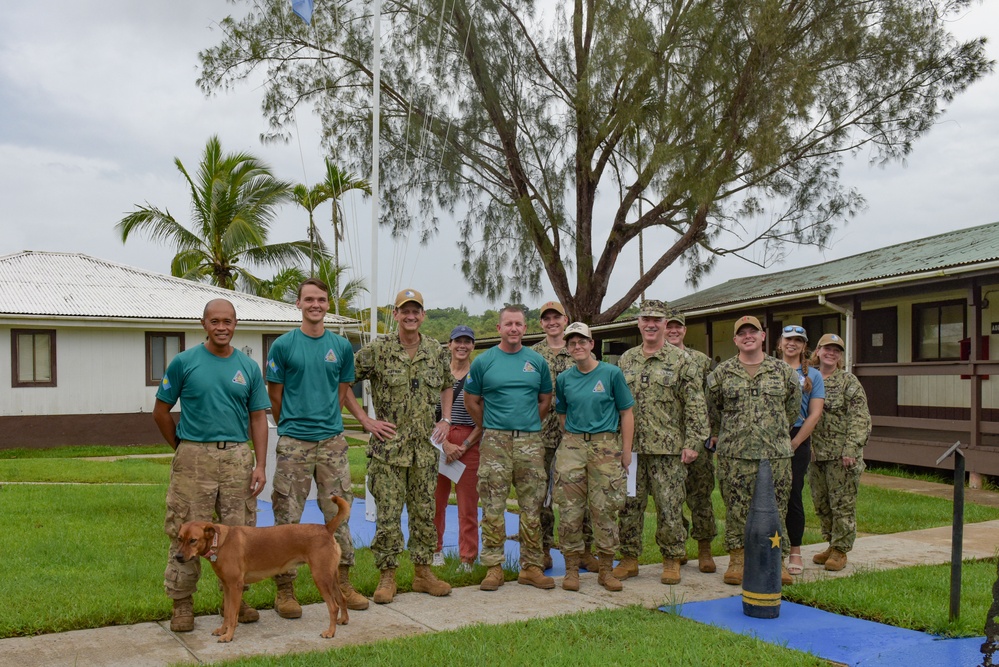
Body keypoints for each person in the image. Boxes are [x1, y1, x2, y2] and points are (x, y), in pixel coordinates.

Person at [153, 298, 268, 633]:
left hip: (236, 457)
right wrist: (182, 446)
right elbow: (160, 411)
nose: (222, 327)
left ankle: (234, 600)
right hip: (194, 459)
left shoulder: (247, 367)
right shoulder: (184, 362)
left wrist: (260, 464)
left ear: (235, 324)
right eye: (215, 321)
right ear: (204, 323)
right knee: (184, 531)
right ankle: (182, 604)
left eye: (228, 321)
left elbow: (258, 417)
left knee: (238, 534)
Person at [264, 278, 375, 616]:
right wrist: (292, 426)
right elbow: (275, 393)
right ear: (298, 304)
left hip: (332, 442)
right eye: (309, 299)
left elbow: (344, 389)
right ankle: (285, 592)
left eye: (321, 299)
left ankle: (344, 584)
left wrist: (330, 421)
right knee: (287, 518)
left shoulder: (341, 347)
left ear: (328, 304)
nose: (315, 304)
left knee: (338, 514)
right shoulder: (283, 346)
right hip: (294, 441)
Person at [349, 288, 453, 604]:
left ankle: (423, 574)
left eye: (416, 311)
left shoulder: (436, 350)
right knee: (389, 515)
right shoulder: (376, 350)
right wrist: (366, 421)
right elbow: (343, 381)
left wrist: (446, 419)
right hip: (388, 449)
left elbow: (448, 384)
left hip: (424, 449)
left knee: (424, 512)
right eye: (404, 311)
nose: (410, 316)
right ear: (395, 314)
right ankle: (387, 576)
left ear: (423, 315)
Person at [612, 300, 709, 586]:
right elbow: (616, 404)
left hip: (668, 449)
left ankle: (672, 557)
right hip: (632, 449)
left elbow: (696, 406)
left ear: (666, 324)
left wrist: (693, 442)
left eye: (657, 319)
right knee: (629, 505)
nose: (651, 324)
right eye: (646, 319)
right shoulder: (626, 360)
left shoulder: (683, 362)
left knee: (669, 506)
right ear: (639, 324)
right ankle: (629, 558)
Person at [464, 306, 555, 591]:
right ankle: (494, 567)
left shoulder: (537, 361)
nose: (514, 329)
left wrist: (526, 423)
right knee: (493, 506)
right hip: (495, 442)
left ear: (525, 329)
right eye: (508, 324)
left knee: (532, 507)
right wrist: (492, 425)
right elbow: (472, 400)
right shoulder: (485, 361)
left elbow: (545, 399)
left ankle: (531, 567)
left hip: (530, 441)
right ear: (499, 327)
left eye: (518, 324)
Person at [706, 315, 800, 586]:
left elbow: (791, 411)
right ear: (735, 340)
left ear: (763, 336)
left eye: (753, 331)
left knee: (777, 508)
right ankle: (738, 559)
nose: (748, 336)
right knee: (735, 509)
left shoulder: (784, 373)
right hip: (734, 454)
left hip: (775, 455)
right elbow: (714, 411)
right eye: (742, 333)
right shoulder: (721, 374)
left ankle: (776, 560)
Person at [554, 322, 634, 592]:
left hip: (606, 446)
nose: (577, 347)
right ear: (567, 348)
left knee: (606, 508)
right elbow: (562, 415)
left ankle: (605, 570)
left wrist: (625, 450)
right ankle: (572, 570)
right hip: (573, 446)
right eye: (571, 343)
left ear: (591, 344)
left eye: (582, 342)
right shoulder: (565, 378)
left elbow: (626, 413)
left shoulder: (611, 374)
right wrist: (575, 441)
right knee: (569, 510)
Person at [531, 301, 597, 571]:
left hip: (578, 434)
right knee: (541, 496)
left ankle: (584, 550)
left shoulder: (579, 350)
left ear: (565, 319)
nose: (551, 322)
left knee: (582, 494)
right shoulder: (532, 355)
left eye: (556, 317)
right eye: (546, 319)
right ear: (541, 324)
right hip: (542, 435)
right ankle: (543, 548)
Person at [808, 333, 871, 572]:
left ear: (840, 356)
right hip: (815, 455)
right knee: (821, 504)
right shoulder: (810, 379)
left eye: (836, 350)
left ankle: (841, 550)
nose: (831, 353)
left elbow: (860, 417)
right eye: (827, 348)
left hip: (841, 455)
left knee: (842, 504)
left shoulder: (848, 382)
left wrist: (851, 449)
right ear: (818, 351)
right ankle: (831, 544)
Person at [664, 308, 718, 574]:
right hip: (667, 441)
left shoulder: (701, 361)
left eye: (678, 327)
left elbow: (713, 400)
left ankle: (705, 549)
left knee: (701, 496)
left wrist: (712, 433)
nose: (673, 331)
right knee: (670, 498)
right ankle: (679, 545)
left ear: (685, 330)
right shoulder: (658, 359)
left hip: (698, 439)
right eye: (669, 327)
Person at [432, 325, 483, 572]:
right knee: (435, 502)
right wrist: (444, 443)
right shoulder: (439, 375)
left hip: (469, 440)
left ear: (473, 346)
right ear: (449, 345)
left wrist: (463, 445)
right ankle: (434, 550)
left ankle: (467, 558)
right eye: (457, 341)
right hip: (439, 439)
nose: (462, 346)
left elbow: (485, 418)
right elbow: (429, 413)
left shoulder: (479, 375)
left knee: (468, 505)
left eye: (467, 341)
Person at [777, 325, 825, 576]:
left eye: (798, 340)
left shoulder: (814, 376)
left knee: (793, 494)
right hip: (770, 437)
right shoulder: (769, 369)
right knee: (767, 495)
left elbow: (814, 413)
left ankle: (794, 550)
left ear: (805, 346)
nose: (792, 344)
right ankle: (771, 548)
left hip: (798, 436)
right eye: (788, 339)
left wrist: (795, 443)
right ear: (780, 342)